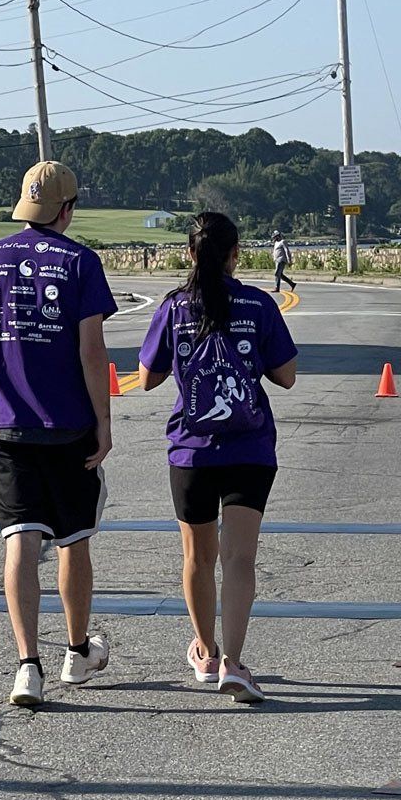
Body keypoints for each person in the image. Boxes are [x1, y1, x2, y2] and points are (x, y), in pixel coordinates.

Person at [0, 161, 117, 706]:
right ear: (68, 209)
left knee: (19, 541)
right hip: (68, 427)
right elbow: (92, 353)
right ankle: (75, 651)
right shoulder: (82, 263)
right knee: (72, 541)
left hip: (7, 428)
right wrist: (104, 422)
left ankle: (27, 666)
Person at [139, 213, 297, 703]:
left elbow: (146, 376)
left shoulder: (174, 306)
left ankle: (205, 653)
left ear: (190, 254)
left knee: (198, 556)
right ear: (236, 254)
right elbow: (287, 375)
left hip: (192, 450)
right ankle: (234, 660)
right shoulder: (258, 303)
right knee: (240, 559)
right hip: (250, 448)